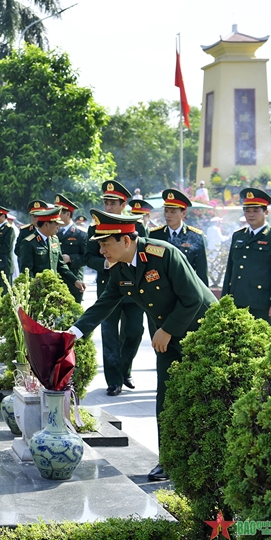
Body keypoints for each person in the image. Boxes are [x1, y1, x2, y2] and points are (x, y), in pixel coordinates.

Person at [68, 209, 216, 482]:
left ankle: (214, 463)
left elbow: (193, 298)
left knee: (210, 399)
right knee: (166, 398)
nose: (101, 251)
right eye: (99, 244)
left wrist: (167, 330)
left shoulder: (163, 254)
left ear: (126, 240)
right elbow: (103, 304)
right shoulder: (120, 268)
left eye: (105, 243)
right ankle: (169, 462)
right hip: (168, 339)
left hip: (204, 334)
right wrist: (72, 334)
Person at [83, 181, 147, 397]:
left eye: (113, 203)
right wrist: (104, 263)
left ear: (123, 204)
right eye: (106, 203)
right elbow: (88, 256)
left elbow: (144, 254)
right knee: (109, 335)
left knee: (134, 332)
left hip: (134, 290)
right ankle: (114, 381)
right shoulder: (95, 228)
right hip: (108, 289)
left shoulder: (137, 226)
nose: (108, 207)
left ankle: (124, 369)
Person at [221, 188, 271, 331]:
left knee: (262, 348)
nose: (251, 214)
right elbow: (230, 270)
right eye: (247, 210)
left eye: (256, 210)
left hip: (262, 305)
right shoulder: (238, 236)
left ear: (266, 212)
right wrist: (225, 299)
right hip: (237, 302)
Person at [19, 206, 87, 295]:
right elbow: (26, 271)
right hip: (38, 291)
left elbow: (61, 265)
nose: (58, 227)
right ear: (46, 224)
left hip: (53, 289)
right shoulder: (29, 243)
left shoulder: (54, 240)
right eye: (56, 224)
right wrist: (34, 290)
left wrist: (75, 281)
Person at [148, 189, 208, 285]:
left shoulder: (195, 236)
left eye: (173, 212)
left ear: (183, 213)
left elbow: (201, 271)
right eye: (166, 211)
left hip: (186, 288)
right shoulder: (155, 235)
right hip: (162, 290)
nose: (168, 215)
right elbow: (150, 266)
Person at [54, 194, 87, 303]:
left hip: (74, 280)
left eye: (58, 213)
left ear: (68, 214)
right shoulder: (52, 232)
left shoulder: (80, 234)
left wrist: (71, 258)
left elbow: (87, 258)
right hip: (56, 281)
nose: (55, 215)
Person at [15, 200, 51, 273]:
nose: (37, 219)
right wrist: (28, 256)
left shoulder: (50, 229)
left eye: (40, 216)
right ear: (31, 216)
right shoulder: (25, 231)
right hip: (29, 268)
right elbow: (17, 249)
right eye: (35, 216)